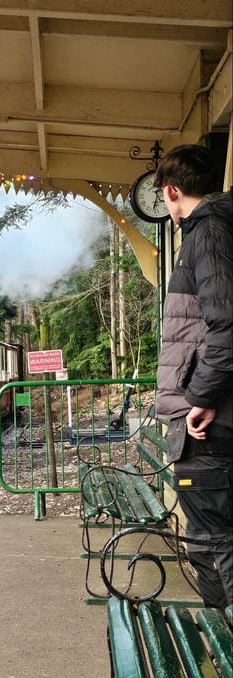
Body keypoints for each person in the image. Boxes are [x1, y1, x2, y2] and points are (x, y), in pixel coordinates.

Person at [153, 144, 233, 609]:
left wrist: (201, 396)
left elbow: (226, 325)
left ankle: (224, 664)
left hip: (210, 423)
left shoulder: (207, 232)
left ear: (171, 190)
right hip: (217, 418)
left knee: (213, 543)